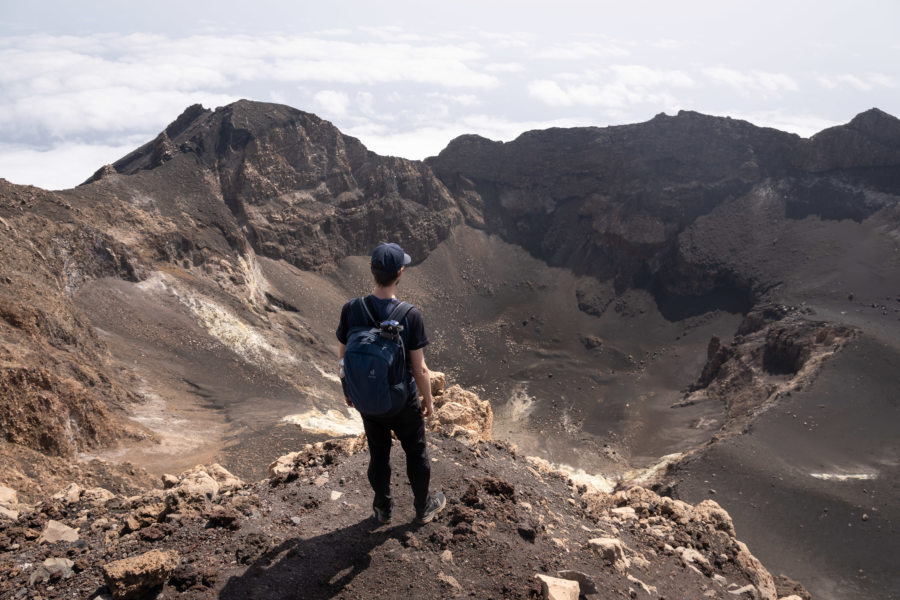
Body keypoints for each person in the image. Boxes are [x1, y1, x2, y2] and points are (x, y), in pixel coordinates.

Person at [336, 242, 446, 525]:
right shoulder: (409, 315)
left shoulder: (351, 309)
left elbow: (343, 358)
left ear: (372, 270)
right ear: (400, 272)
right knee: (415, 452)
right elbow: (420, 369)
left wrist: (348, 390)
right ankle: (423, 507)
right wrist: (428, 401)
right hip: (401, 401)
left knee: (378, 453)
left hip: (368, 400)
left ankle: (382, 508)